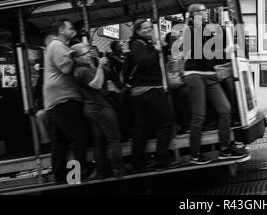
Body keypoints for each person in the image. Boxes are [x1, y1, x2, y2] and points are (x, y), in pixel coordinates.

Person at [182, 4, 248, 165]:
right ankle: (195, 155)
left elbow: (213, 55)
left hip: (210, 75)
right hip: (195, 75)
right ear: (192, 15)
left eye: (204, 10)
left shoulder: (208, 29)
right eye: (200, 11)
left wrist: (229, 44)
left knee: (225, 109)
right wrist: (226, 51)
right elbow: (201, 54)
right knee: (199, 115)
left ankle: (224, 149)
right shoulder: (190, 30)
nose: (204, 13)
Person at [43, 20, 91, 183]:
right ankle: (78, 174)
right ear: (61, 30)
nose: (73, 30)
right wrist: (77, 56)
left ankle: (60, 176)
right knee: (77, 137)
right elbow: (66, 68)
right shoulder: (57, 45)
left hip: (56, 98)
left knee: (59, 141)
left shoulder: (56, 45)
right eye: (70, 28)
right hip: (64, 97)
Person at [129, 19, 178, 171]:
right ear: (137, 31)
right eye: (145, 28)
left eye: (150, 27)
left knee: (141, 129)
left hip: (145, 91)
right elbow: (145, 63)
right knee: (166, 123)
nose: (149, 29)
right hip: (150, 90)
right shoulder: (138, 44)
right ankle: (161, 159)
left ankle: (138, 163)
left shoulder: (145, 43)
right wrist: (156, 50)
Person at [71, 43, 125, 179]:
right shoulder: (83, 70)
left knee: (99, 141)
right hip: (100, 107)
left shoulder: (80, 69)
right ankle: (118, 170)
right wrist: (100, 66)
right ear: (76, 58)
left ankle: (102, 171)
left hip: (91, 108)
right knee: (114, 139)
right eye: (84, 54)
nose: (88, 55)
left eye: (88, 52)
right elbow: (97, 84)